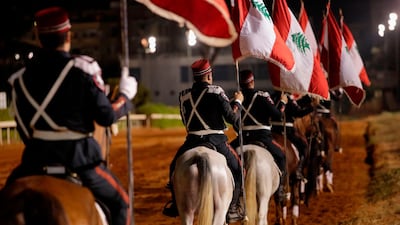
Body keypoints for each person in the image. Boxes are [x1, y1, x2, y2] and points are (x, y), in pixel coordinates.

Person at [5, 7, 137, 225]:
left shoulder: (19, 79)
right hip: (80, 161)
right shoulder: (83, 69)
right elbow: (106, 116)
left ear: (38, 38)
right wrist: (124, 96)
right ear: (68, 35)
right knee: (122, 203)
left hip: (34, 162)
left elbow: (24, 131)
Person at [162, 58, 244, 223]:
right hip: (216, 141)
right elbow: (232, 118)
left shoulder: (184, 96)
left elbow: (186, 121)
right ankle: (233, 207)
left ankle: (176, 204)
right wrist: (237, 102)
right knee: (238, 169)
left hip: (191, 141)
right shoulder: (217, 91)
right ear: (209, 76)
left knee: (173, 169)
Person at [230, 69, 288, 201]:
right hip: (263, 138)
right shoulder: (262, 96)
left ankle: (233, 194)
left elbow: (232, 120)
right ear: (252, 82)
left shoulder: (236, 99)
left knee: (225, 157)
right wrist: (283, 103)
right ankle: (280, 190)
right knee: (282, 156)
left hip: (243, 139)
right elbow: (278, 116)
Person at [271, 92, 315, 180]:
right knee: (303, 146)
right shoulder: (288, 99)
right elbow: (299, 113)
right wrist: (312, 108)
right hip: (287, 131)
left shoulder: (271, 97)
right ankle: (299, 170)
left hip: (272, 130)